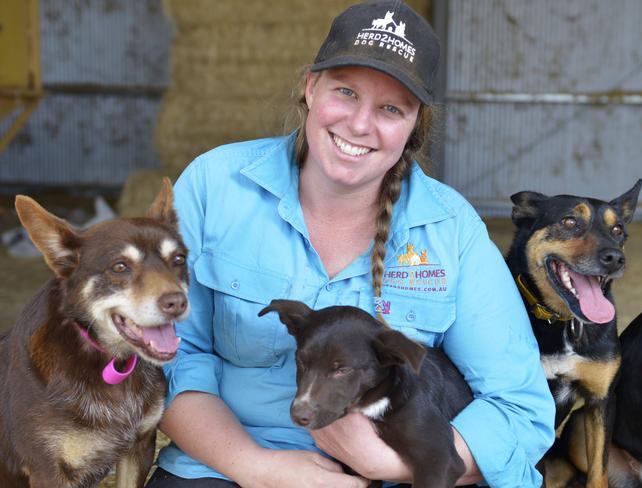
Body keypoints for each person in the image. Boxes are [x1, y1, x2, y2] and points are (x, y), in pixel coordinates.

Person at [145, 1, 555, 487]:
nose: (360, 125)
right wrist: (256, 467)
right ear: (310, 88)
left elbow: (519, 407)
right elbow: (163, 362)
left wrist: (391, 466)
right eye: (345, 91)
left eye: (390, 108)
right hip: (227, 466)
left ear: (414, 125)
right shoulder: (215, 186)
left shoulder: (452, 230)